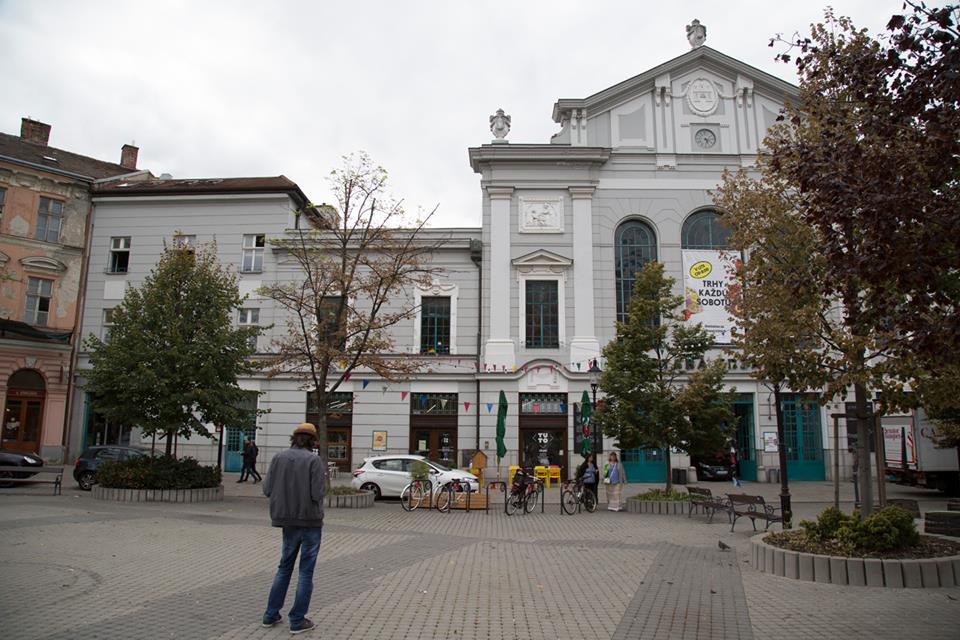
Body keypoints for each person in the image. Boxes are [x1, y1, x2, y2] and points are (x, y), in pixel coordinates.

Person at [261, 423, 325, 634]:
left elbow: (267, 489)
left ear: (294, 438)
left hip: (287, 521)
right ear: (312, 441)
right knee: (305, 572)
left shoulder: (278, 458)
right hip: (310, 522)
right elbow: (317, 493)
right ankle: (297, 620)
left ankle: (270, 614)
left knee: (284, 567)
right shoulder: (314, 460)